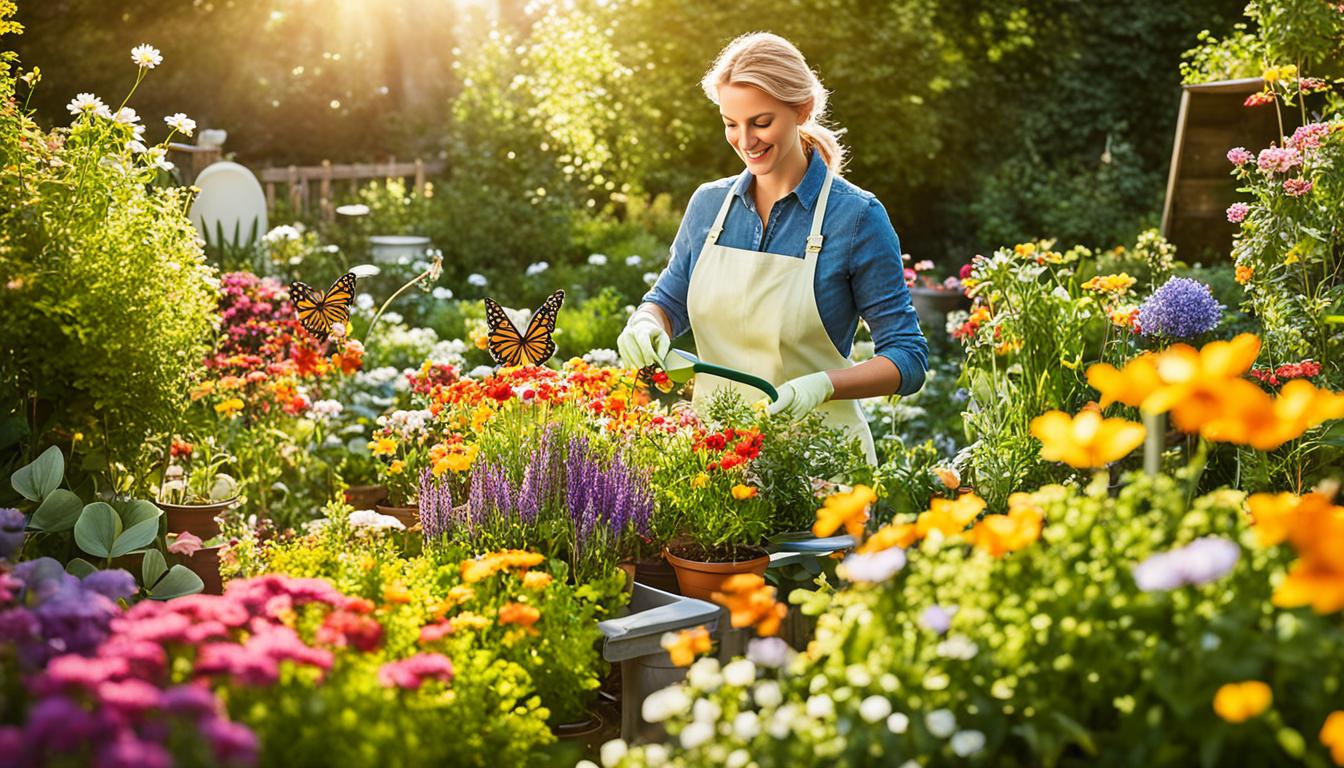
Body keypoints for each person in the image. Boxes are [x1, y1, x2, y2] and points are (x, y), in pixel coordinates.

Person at [617, 32, 927, 465]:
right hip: (719, 467)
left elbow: (908, 357)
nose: (745, 140)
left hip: (822, 470)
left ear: (801, 110)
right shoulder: (710, 205)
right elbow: (667, 301)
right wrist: (646, 324)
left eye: (761, 122)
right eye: (730, 123)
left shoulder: (855, 217)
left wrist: (824, 384)